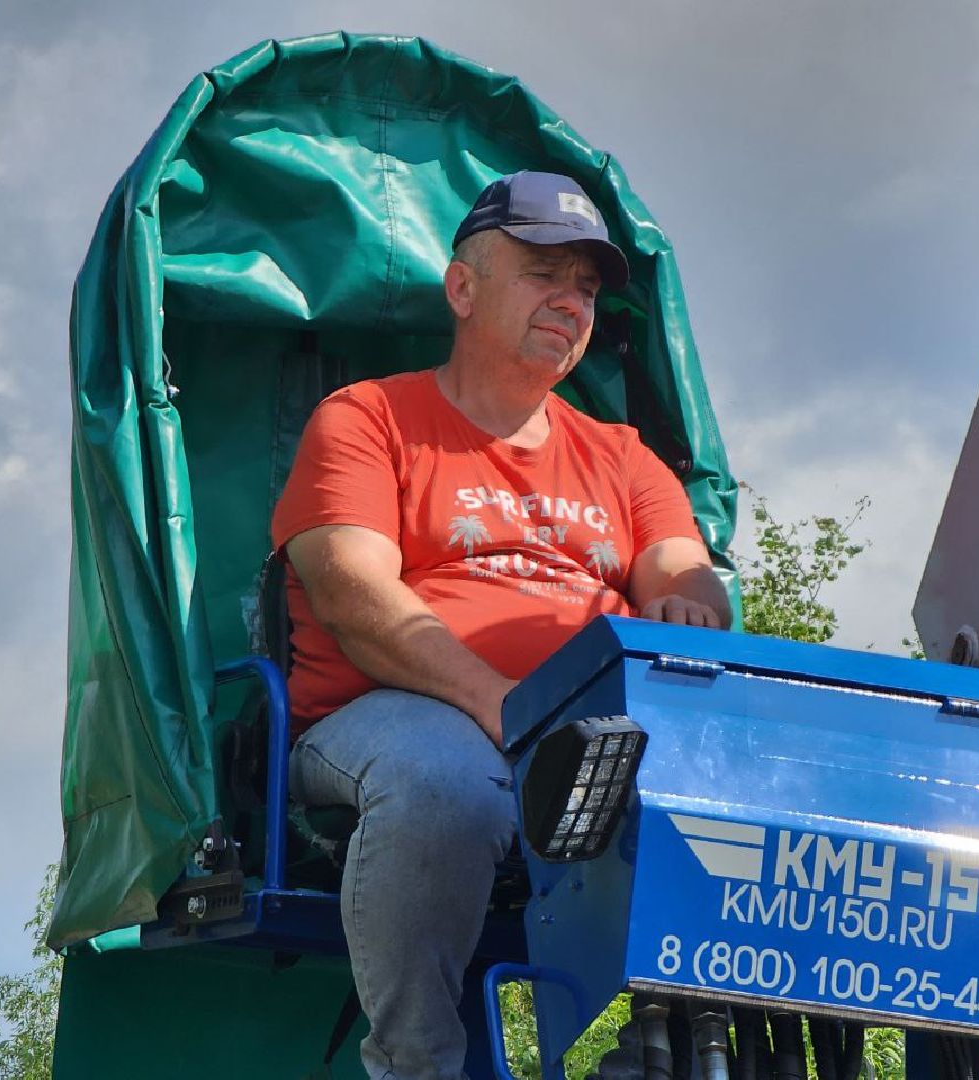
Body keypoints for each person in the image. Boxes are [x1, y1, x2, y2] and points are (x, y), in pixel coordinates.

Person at [271, 171, 731, 1079]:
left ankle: (658, 1056)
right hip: (388, 712)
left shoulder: (625, 457)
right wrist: (498, 702)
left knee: (736, 795)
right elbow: (353, 597)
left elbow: (685, 572)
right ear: (462, 287)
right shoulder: (369, 419)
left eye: (587, 288)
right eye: (543, 274)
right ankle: (417, 1064)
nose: (571, 302)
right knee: (445, 781)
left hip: (584, 731)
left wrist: (692, 603)